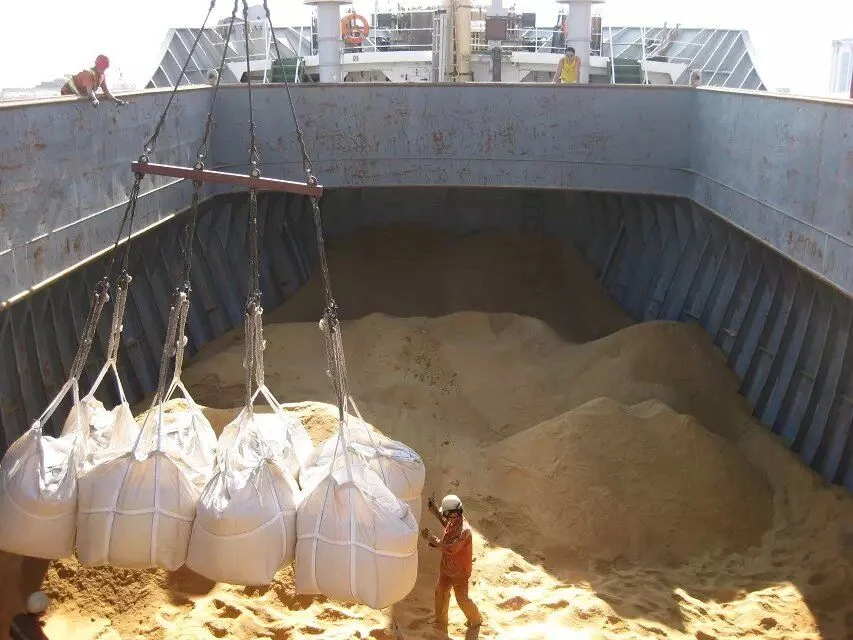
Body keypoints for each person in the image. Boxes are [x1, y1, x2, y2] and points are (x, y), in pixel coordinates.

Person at [421, 494, 483, 629]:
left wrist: (432, 539)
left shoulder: (465, 531)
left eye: (448, 515)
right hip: (446, 567)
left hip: (459, 572)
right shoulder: (454, 519)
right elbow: (447, 524)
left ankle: (476, 619)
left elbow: (451, 548)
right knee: (440, 593)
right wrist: (436, 511)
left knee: (462, 599)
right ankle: (440, 619)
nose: (450, 519)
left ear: (455, 513)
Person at [60, 55, 127, 108]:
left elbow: (107, 92)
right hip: (67, 91)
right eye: (102, 67)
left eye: (104, 68)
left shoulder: (102, 75)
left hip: (81, 93)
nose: (103, 70)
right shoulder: (89, 74)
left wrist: (116, 100)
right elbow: (90, 92)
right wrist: (95, 100)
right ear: (96, 65)